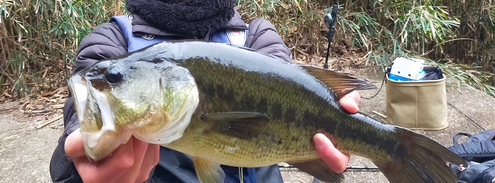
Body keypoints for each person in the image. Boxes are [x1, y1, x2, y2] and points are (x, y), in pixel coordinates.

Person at [49, 0, 361, 182]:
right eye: (116, 77)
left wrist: (342, 116)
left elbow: (289, 91)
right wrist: (81, 164)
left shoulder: (258, 37)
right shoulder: (111, 43)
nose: (110, 80)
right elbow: (79, 122)